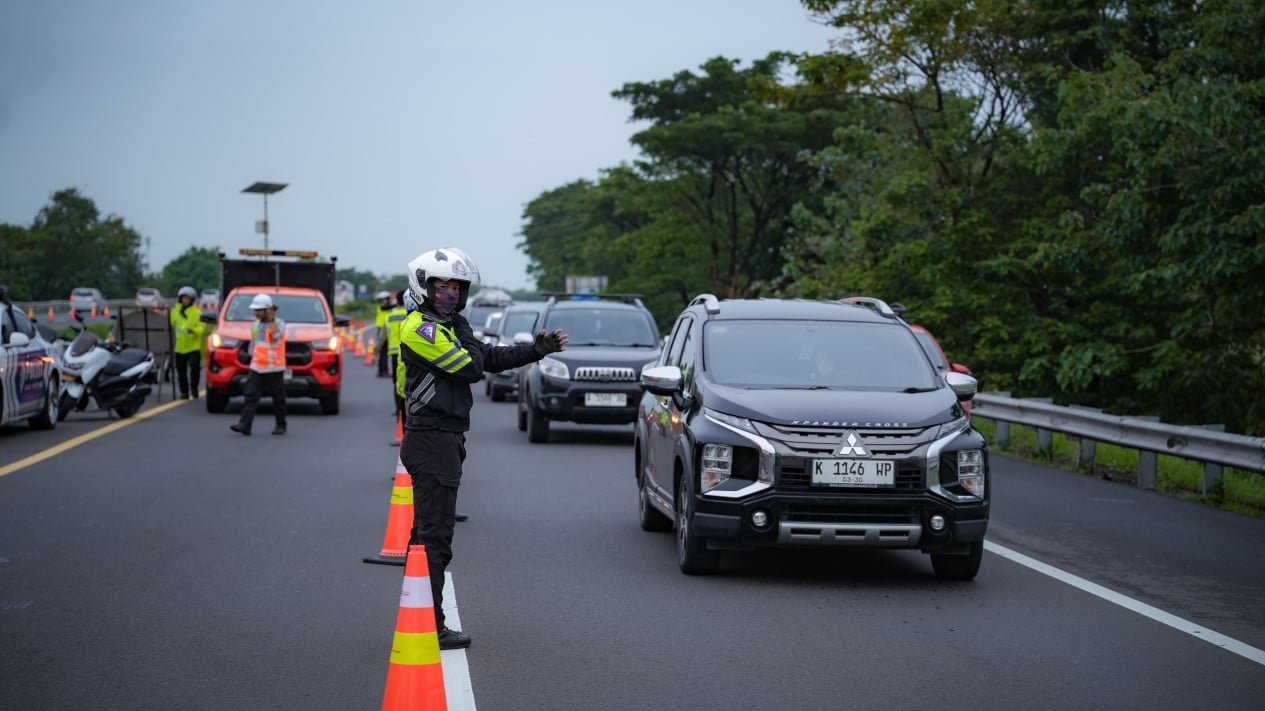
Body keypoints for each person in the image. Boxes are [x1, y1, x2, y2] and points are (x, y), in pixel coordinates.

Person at [398, 247, 567, 649]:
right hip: (431, 440)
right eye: (442, 286)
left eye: (457, 287)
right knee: (435, 538)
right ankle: (431, 625)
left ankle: (417, 613)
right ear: (423, 287)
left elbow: (488, 356)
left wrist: (535, 350)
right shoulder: (420, 330)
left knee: (425, 535)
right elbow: (472, 366)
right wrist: (464, 331)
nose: (451, 294)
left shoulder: (447, 326)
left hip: (443, 439)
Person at [230, 293, 287, 436]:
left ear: (268, 310)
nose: (256, 313)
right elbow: (253, 344)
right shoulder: (255, 324)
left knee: (278, 397)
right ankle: (245, 425)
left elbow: (276, 337)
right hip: (257, 366)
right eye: (255, 310)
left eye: (259, 310)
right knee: (251, 395)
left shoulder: (279, 323)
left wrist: (272, 319)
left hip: (274, 366)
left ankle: (281, 425)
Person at [169, 285, 204, 399]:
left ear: (192, 300)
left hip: (193, 347)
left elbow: (202, 328)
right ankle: (184, 392)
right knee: (181, 372)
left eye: (187, 298)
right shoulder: (175, 311)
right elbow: (172, 323)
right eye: (183, 298)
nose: (185, 300)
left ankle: (194, 389)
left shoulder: (197, 313)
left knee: (195, 368)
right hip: (179, 347)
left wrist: (193, 330)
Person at [374, 290, 393, 377]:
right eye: (386, 299)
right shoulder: (382, 307)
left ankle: (383, 370)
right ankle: (382, 371)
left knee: (384, 352)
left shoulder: (387, 308)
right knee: (383, 352)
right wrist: (397, 304)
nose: (386, 301)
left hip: (385, 330)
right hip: (382, 330)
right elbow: (387, 307)